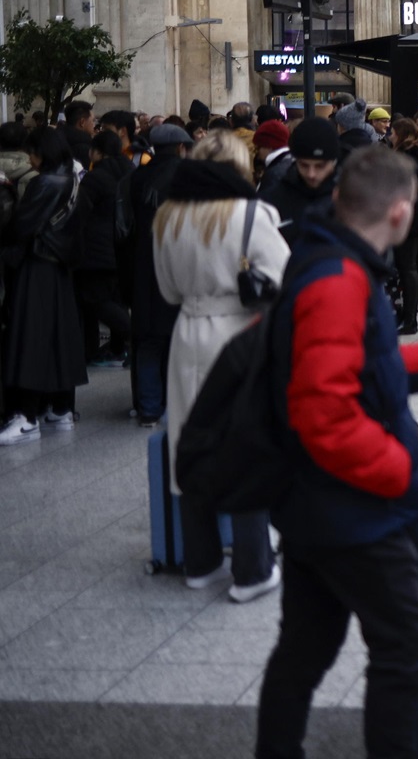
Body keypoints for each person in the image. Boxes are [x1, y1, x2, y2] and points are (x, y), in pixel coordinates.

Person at [253, 146, 418, 759]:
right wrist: (401, 474)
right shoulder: (339, 281)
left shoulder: (330, 261)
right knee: (406, 645)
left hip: (314, 500)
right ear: (400, 212)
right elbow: (326, 411)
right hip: (354, 506)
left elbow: (366, 367)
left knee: (304, 651)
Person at [153, 131, 289, 601]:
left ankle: (201, 562)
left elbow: (167, 292)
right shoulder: (252, 214)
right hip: (239, 336)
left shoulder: (167, 217)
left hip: (187, 334)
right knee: (245, 446)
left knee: (190, 445)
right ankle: (253, 569)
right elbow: (284, 279)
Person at [0, 128, 88, 445]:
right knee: (58, 338)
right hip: (61, 268)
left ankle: (26, 417)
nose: (31, 160)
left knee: (30, 338)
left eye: (33, 154)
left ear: (43, 153)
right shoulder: (74, 179)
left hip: (37, 267)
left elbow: (21, 226)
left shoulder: (44, 183)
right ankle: (61, 409)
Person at [117, 123, 194, 427]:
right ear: (180, 148)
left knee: (148, 340)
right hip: (181, 269)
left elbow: (123, 230)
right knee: (179, 340)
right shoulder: (190, 179)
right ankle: (178, 406)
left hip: (144, 268)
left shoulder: (134, 179)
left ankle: (149, 407)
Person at [75, 130, 133, 368]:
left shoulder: (94, 178)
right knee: (116, 299)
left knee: (95, 300)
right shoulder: (131, 171)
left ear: (97, 152)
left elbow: (80, 213)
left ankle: (133, 335)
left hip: (97, 250)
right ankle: (118, 349)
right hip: (124, 246)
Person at [261, 118, 340, 245]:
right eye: (304, 165)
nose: (311, 174)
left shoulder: (349, 200)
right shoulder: (272, 200)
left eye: (320, 166)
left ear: (333, 162)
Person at [389, 119, 418, 335]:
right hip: (417, 214)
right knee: (408, 266)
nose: (390, 136)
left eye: (393, 133)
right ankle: (410, 313)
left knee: (406, 267)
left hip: (408, 216)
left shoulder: (404, 158)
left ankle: (410, 318)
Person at [253, 120, 293, 191]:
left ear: (269, 145)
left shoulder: (273, 175)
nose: (257, 153)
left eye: (258, 148)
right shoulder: (293, 163)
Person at [62, 100, 95, 167]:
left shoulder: (56, 140)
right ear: (82, 122)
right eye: (93, 120)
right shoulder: (84, 149)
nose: (94, 125)